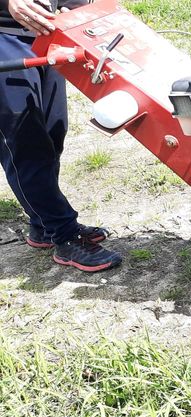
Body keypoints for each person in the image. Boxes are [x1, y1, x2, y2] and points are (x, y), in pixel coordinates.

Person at [1, 0, 122, 272]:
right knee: (26, 144)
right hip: (3, 39)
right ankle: (66, 235)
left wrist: (72, 5)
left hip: (49, 35)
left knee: (54, 132)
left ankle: (43, 224)